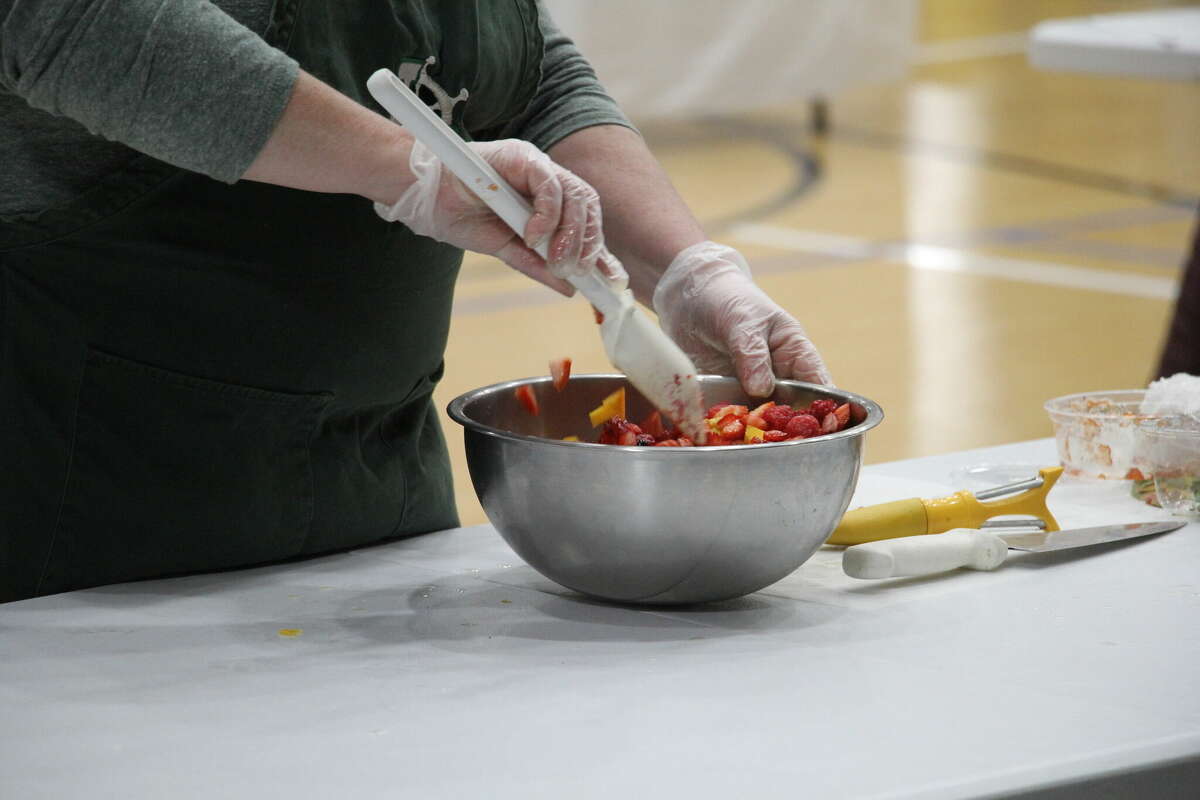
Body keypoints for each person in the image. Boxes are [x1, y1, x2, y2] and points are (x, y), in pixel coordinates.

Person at [0, 0, 830, 602]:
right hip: (99, 505)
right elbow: (72, 21)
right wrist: (409, 169)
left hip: (378, 488)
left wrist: (688, 271)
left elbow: (523, 64)